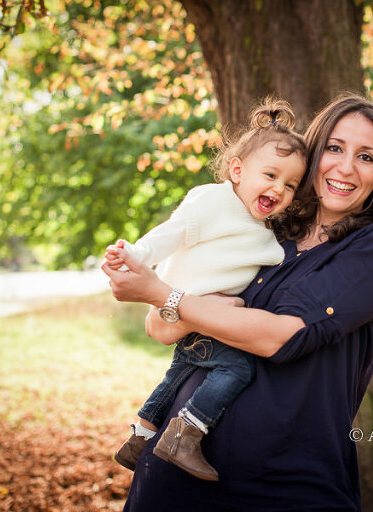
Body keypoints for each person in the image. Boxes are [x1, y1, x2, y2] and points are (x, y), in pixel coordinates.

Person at [102, 93, 373, 511]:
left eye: (366, 156)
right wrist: (169, 300)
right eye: (334, 148)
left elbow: (280, 338)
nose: (345, 167)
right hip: (176, 479)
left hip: (284, 484)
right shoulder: (265, 231)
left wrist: (164, 294)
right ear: (313, 154)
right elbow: (159, 328)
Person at [104, 98, 308, 480]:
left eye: (291, 184)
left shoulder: (263, 229)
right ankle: (187, 432)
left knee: (178, 372)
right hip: (189, 310)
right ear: (236, 169)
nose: (278, 188)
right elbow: (173, 232)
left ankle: (140, 435)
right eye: (270, 175)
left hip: (198, 319)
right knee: (237, 367)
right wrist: (135, 254)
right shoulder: (215, 201)